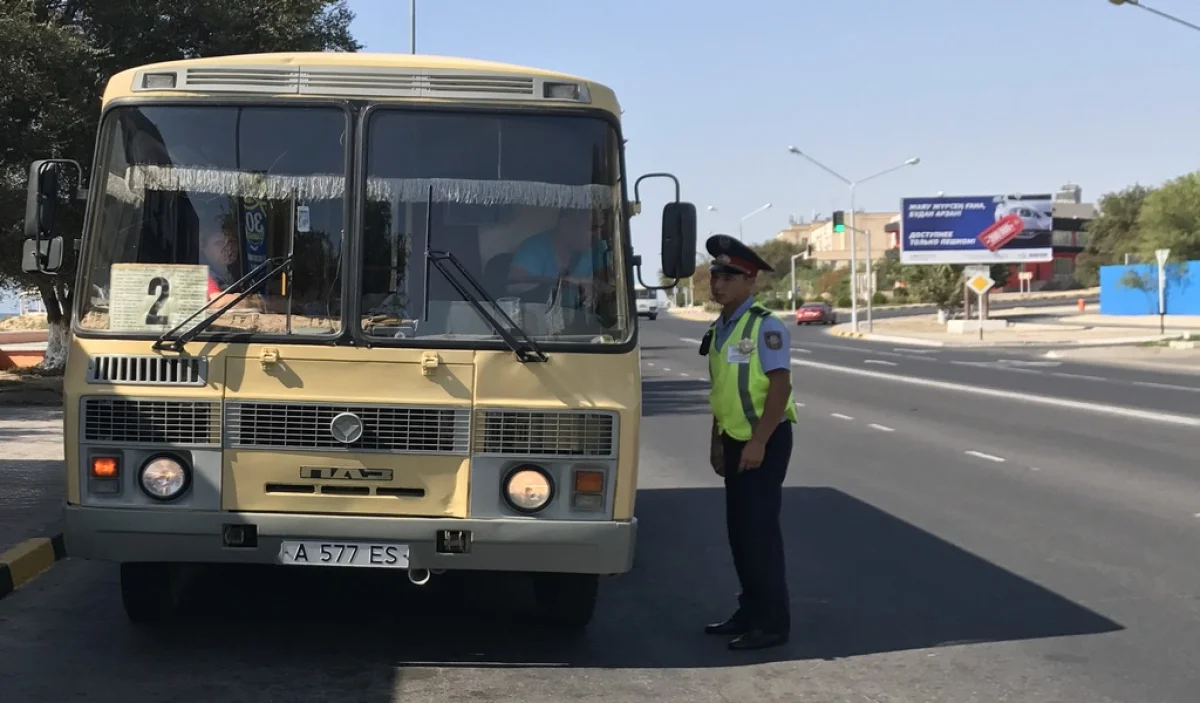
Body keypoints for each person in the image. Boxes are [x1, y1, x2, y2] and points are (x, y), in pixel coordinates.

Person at [698, 233, 797, 651]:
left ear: (750, 281)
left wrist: (758, 442)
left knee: (759, 535)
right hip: (735, 440)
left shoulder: (765, 326)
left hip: (765, 441)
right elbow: (721, 391)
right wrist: (718, 441)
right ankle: (750, 610)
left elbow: (780, 388)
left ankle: (772, 623)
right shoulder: (720, 328)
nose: (719, 283)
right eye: (716, 274)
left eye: (730, 275)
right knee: (740, 534)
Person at [509, 208, 612, 309]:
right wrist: (568, 283)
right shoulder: (533, 248)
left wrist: (597, 287)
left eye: (600, 229)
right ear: (565, 226)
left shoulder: (595, 249)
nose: (598, 235)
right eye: (592, 228)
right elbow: (513, 285)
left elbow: (611, 284)